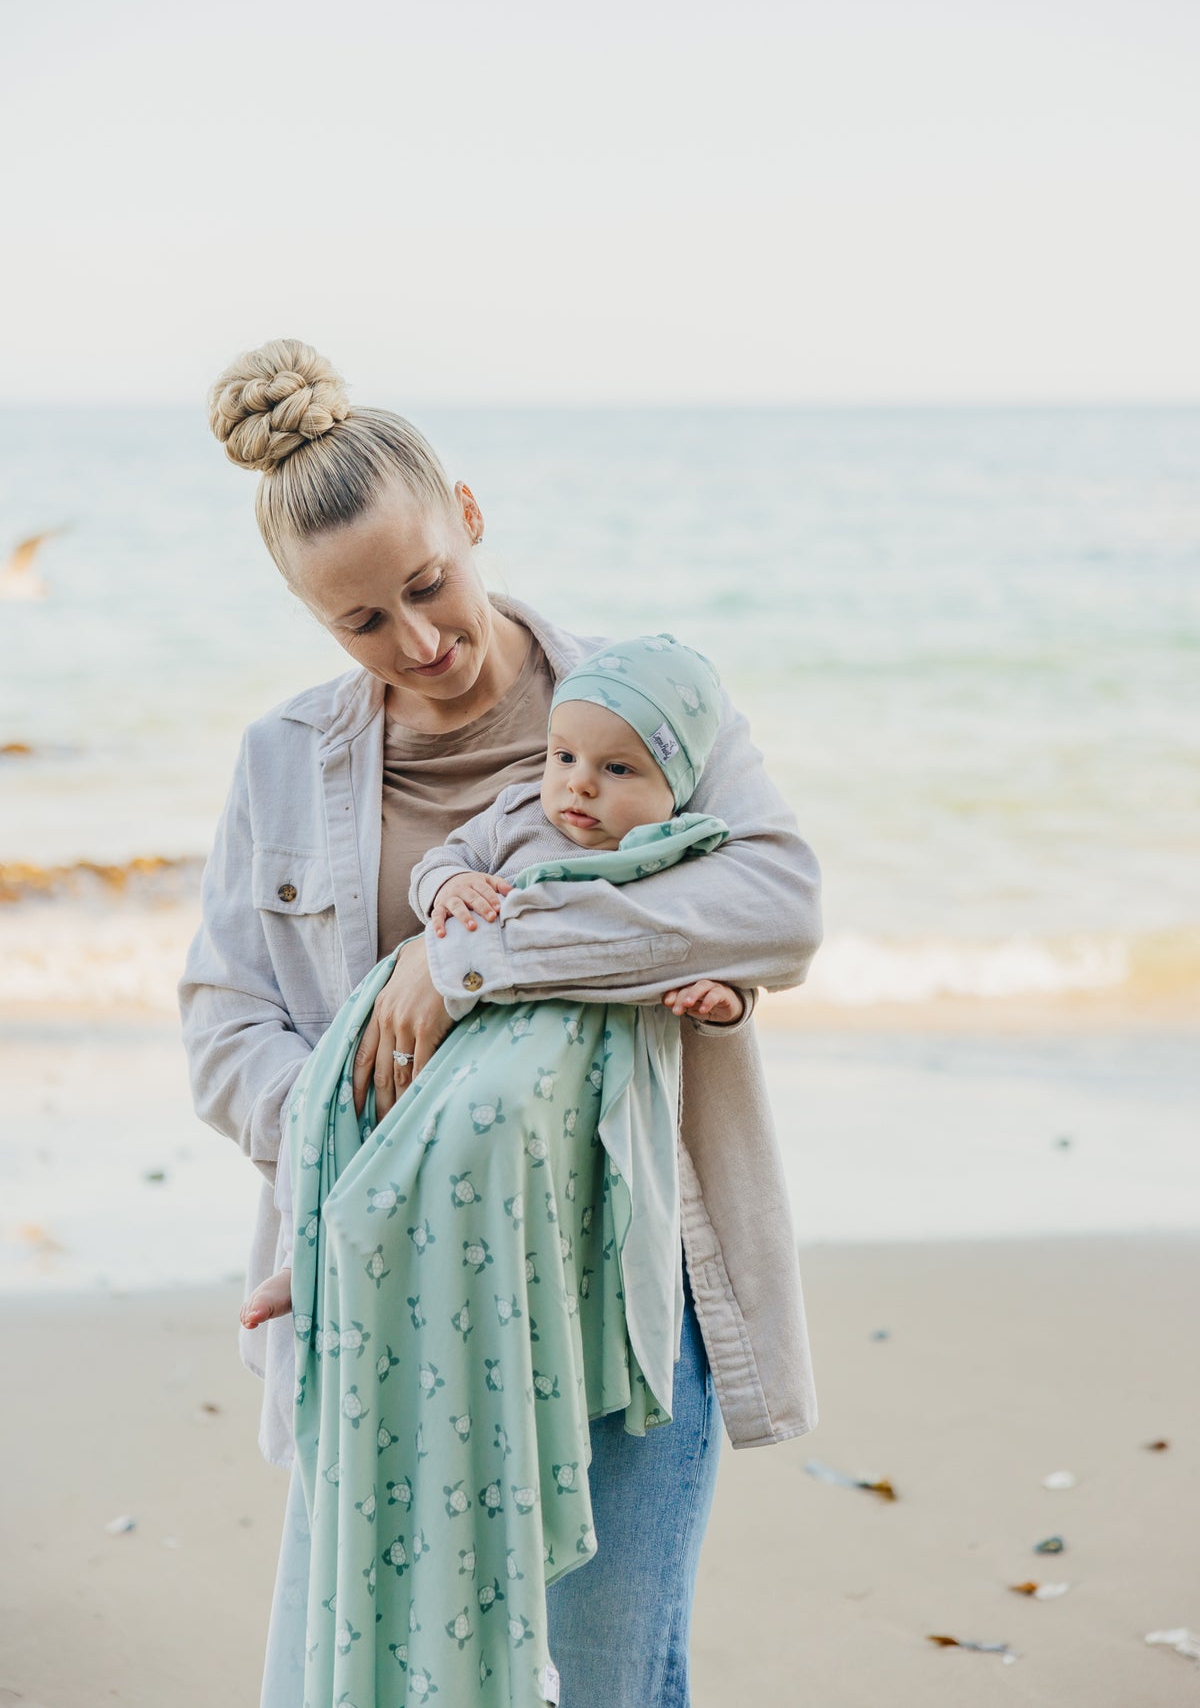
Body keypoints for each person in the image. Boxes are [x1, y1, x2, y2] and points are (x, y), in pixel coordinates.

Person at [178, 337, 823, 1708]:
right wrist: (347, 1163)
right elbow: (225, 1019)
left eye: (429, 586)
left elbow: (776, 900)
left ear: (470, 516)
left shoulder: (645, 701)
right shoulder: (280, 760)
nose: (417, 641)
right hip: (379, 1284)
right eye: (361, 621)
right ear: (310, 617)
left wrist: (470, 957)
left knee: (609, 1672)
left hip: (636, 1276)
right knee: (400, 1663)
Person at [242, 632, 743, 1336]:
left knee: (485, 1160)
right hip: (465, 1042)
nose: (581, 784)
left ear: (675, 788)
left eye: (619, 768)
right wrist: (451, 884)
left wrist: (725, 1003)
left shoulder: (678, 853)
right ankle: (315, 1248)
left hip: (574, 1085)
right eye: (563, 757)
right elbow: (441, 860)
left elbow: (721, 942)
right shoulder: (516, 816)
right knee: (377, 1118)